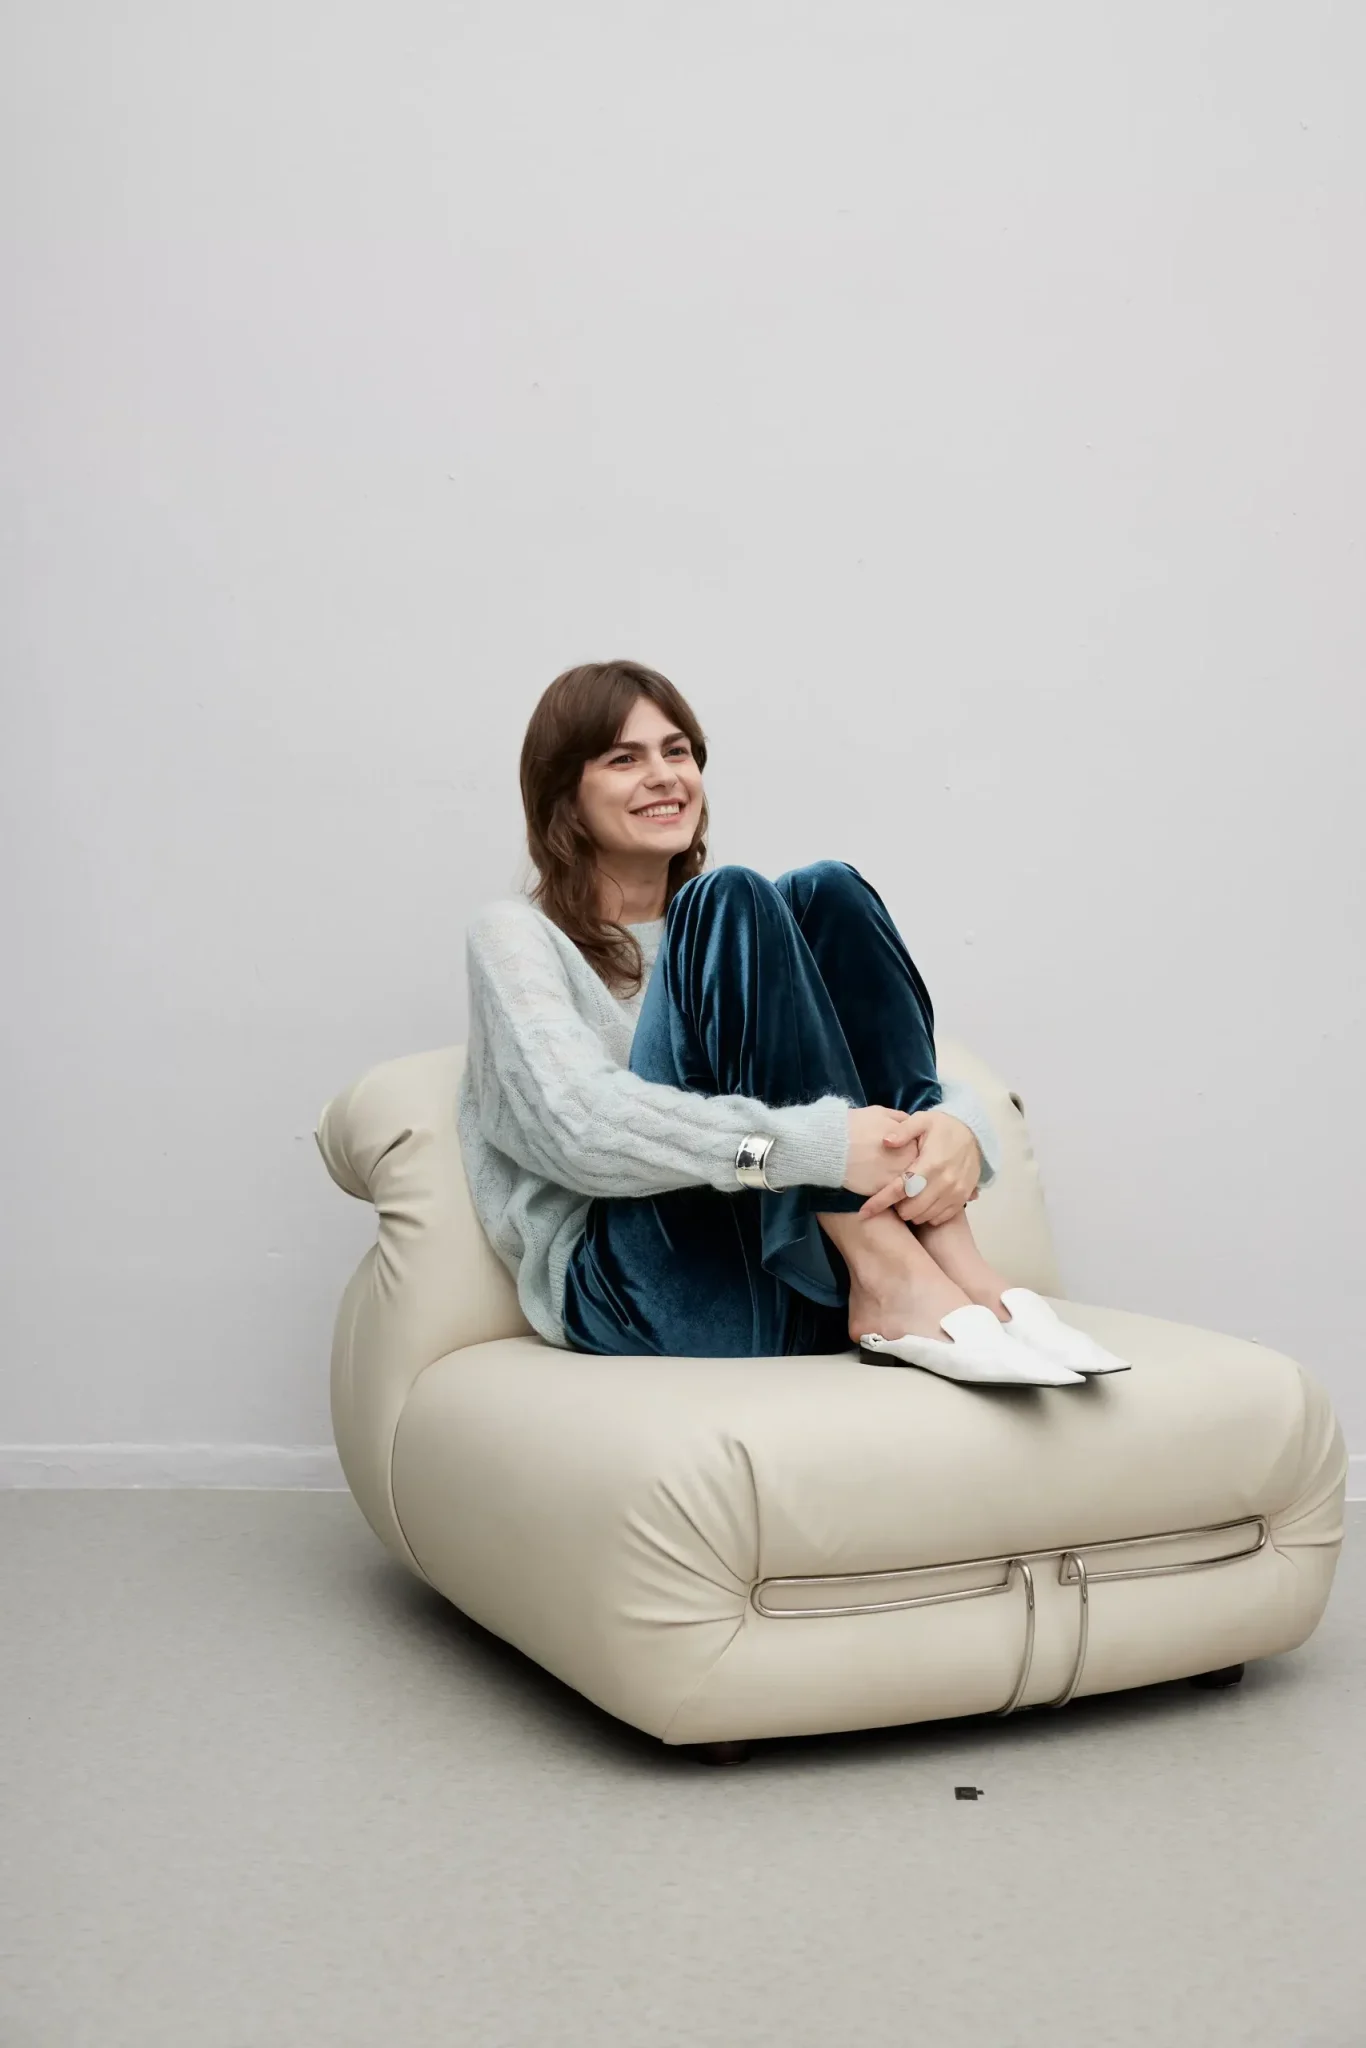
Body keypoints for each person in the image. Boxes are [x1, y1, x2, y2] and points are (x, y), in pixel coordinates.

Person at [458, 660, 1128, 1383]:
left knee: (828, 891)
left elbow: (871, 1064)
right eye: (625, 759)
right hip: (641, 1294)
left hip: (801, 1271)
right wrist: (814, 1149)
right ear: (563, 794)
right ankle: (889, 1270)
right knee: (728, 899)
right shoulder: (519, 936)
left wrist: (959, 1129)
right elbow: (577, 1128)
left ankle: (955, 1268)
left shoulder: (745, 940)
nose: (664, 776)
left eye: (677, 751)